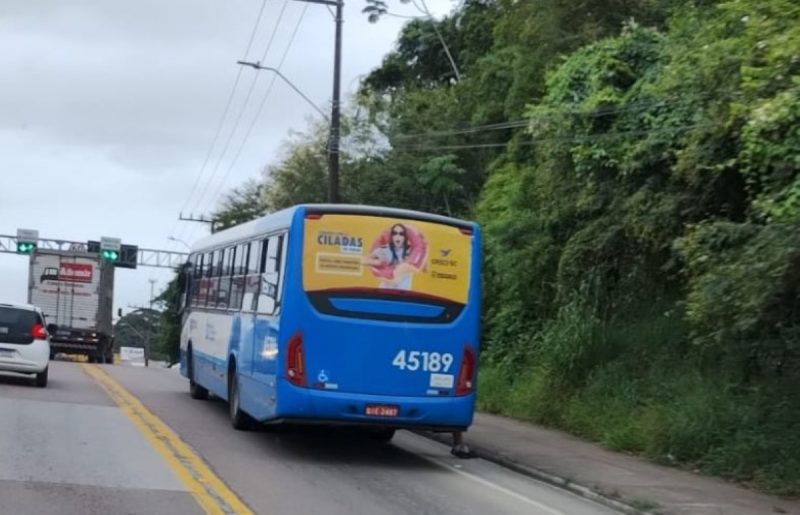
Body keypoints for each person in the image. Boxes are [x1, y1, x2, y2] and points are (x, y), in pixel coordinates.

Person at [362, 223, 427, 290]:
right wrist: (376, 262)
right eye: (395, 233)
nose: (397, 236)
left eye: (401, 234)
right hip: (385, 292)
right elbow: (365, 260)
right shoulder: (385, 250)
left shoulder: (412, 252)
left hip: (403, 294)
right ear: (392, 236)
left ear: (405, 237)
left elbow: (423, 267)